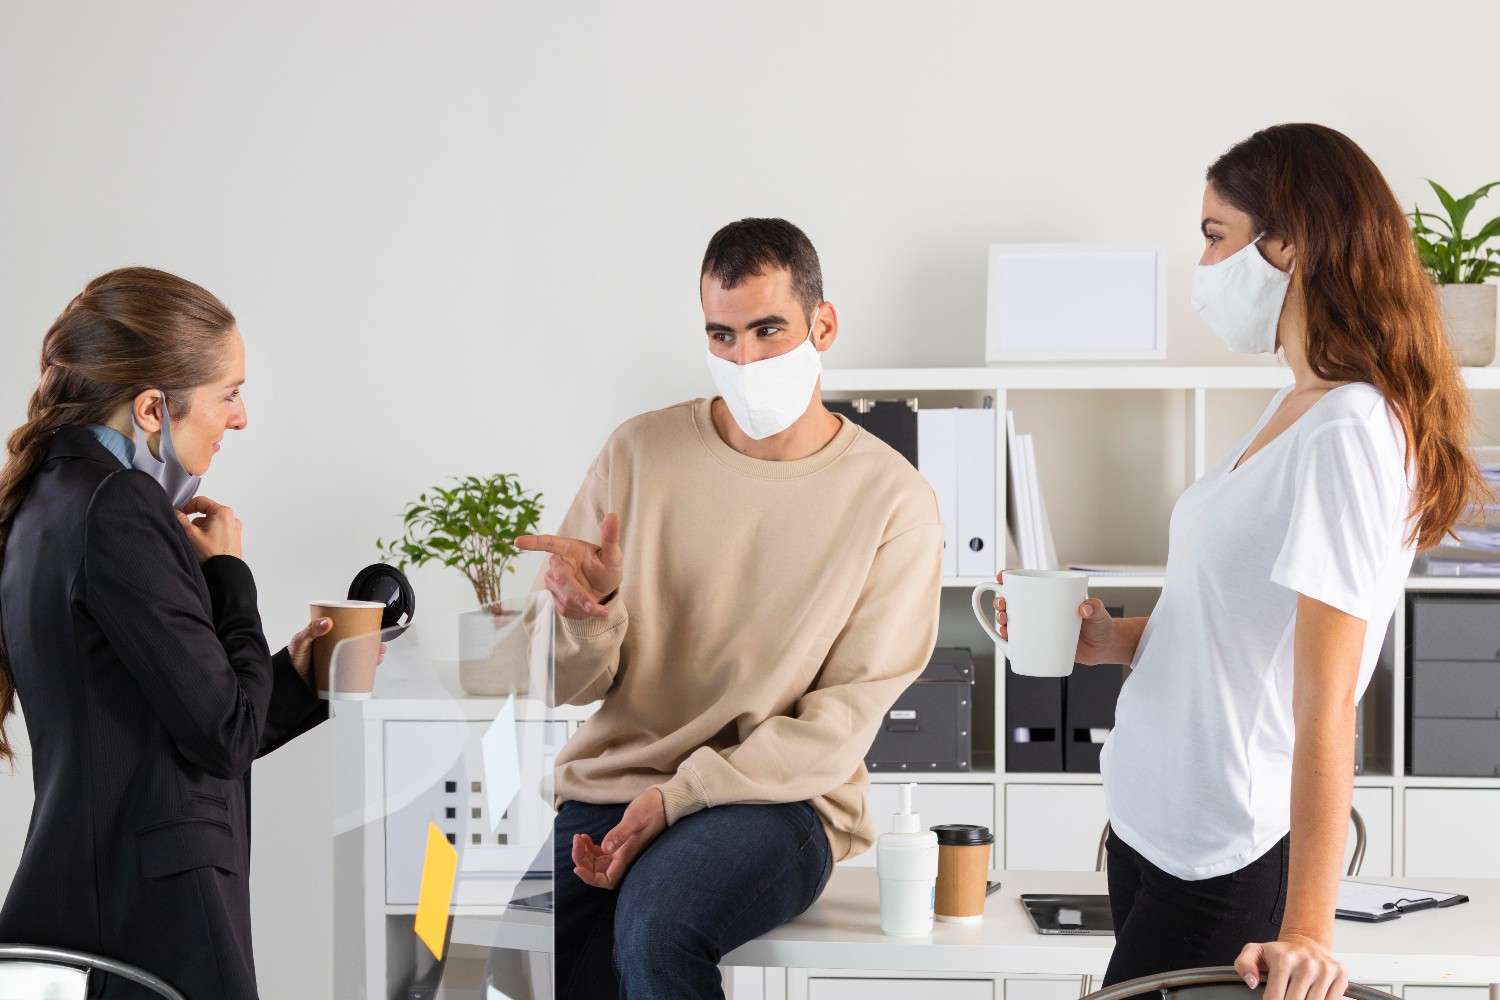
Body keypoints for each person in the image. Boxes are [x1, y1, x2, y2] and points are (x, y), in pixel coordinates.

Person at [993, 124, 1490, 1000]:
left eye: (1216, 235)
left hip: (1220, 855)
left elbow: (1327, 696)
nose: (1206, 263)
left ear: (1288, 242)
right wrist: (1112, 642)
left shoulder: (1348, 431)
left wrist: (1307, 929)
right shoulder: (1293, 405)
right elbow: (1232, 622)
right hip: (1154, 829)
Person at [516, 218, 944, 999]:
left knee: (656, 928)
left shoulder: (893, 501)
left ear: (824, 324)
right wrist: (591, 612)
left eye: (767, 330)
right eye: (722, 335)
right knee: (539, 955)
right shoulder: (638, 454)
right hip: (614, 784)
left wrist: (677, 797)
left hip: (778, 800)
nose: (744, 360)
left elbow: (840, 718)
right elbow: (555, 684)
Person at [0, 267, 340, 999]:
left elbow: (171, 723)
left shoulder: (45, 499)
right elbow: (222, 734)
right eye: (229, 393)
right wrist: (230, 580)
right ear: (154, 407)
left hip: (102, 912)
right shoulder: (118, 505)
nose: (241, 417)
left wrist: (302, 676)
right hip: (155, 922)